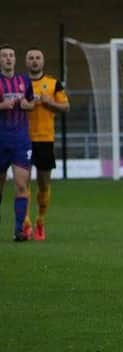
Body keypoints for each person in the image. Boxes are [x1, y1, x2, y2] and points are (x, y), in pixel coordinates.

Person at [22, 48, 70, 241]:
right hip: (22, 139)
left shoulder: (53, 83)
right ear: (26, 62)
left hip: (45, 139)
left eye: (38, 58)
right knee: (22, 183)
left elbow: (66, 107)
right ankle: (25, 223)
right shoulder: (20, 83)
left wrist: (50, 103)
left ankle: (40, 221)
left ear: (43, 61)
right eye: (31, 58)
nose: (34, 61)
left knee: (43, 184)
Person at [0, 45, 35, 241]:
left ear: (15, 59)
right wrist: (3, 105)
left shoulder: (24, 80)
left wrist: (26, 105)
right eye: (4, 56)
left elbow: (31, 103)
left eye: (11, 55)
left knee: (22, 184)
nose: (8, 58)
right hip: (0, 139)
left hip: (21, 140)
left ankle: (19, 229)